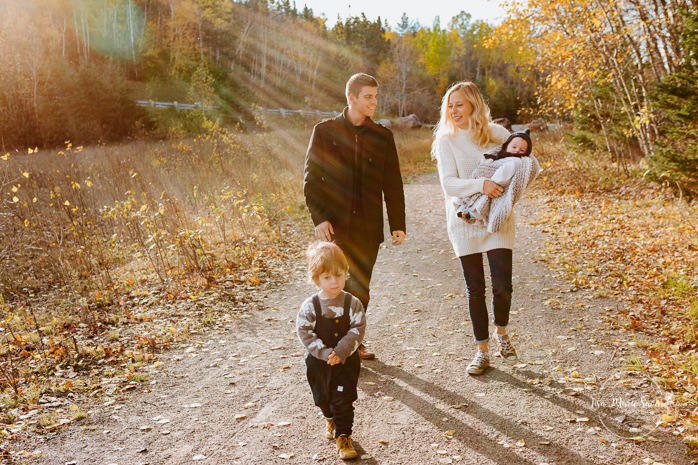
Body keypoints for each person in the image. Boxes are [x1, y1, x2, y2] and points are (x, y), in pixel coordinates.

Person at [303, 73, 406, 360]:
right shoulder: (325, 132)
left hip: (367, 228)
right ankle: (327, 345)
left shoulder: (383, 136)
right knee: (334, 284)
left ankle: (353, 343)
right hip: (335, 226)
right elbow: (312, 180)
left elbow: (393, 184)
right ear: (352, 98)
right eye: (368, 97)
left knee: (360, 288)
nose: (374, 101)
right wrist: (319, 219)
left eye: (375, 96)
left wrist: (397, 223)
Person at [431, 81, 525, 375]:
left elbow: (520, 165)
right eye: (450, 105)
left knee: (503, 286)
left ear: (473, 104)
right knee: (475, 289)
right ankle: (482, 351)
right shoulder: (446, 140)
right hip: (464, 221)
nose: (454, 110)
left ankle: (503, 335)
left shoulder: (498, 134)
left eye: (459, 104)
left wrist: (507, 196)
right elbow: (448, 184)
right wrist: (481, 184)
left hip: (497, 219)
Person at [297, 241, 366, 460]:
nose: (334, 281)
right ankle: (329, 417)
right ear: (316, 278)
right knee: (323, 397)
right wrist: (326, 354)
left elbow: (358, 328)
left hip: (346, 361)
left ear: (346, 273)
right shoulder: (310, 306)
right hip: (319, 362)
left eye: (338, 275)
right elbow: (305, 333)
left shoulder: (352, 303)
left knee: (343, 399)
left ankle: (343, 435)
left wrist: (342, 351)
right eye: (327, 277)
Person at [455, 129, 539, 232]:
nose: (517, 151)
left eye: (522, 150)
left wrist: (492, 181)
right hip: (485, 181)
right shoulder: (500, 154)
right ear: (506, 145)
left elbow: (504, 173)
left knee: (484, 201)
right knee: (475, 196)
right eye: (514, 147)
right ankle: (463, 209)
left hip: (496, 184)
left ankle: (472, 214)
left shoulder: (516, 161)